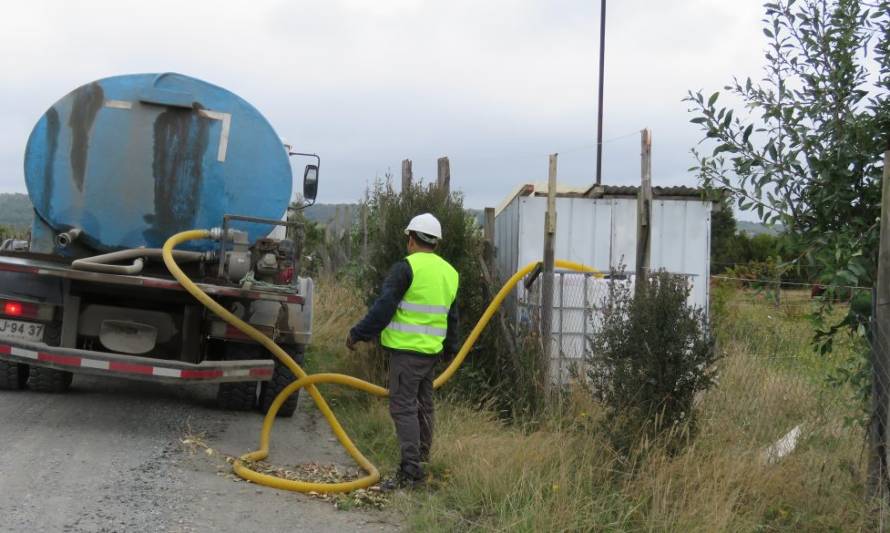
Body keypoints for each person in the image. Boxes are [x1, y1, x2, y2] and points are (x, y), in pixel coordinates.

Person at [346, 213, 459, 489]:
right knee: (424, 407)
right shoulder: (449, 272)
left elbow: (384, 308)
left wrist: (358, 334)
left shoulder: (406, 268)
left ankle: (410, 472)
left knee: (403, 408)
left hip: (407, 354)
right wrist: (450, 350)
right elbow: (452, 316)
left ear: (411, 239)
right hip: (431, 353)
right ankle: (421, 461)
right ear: (436, 242)